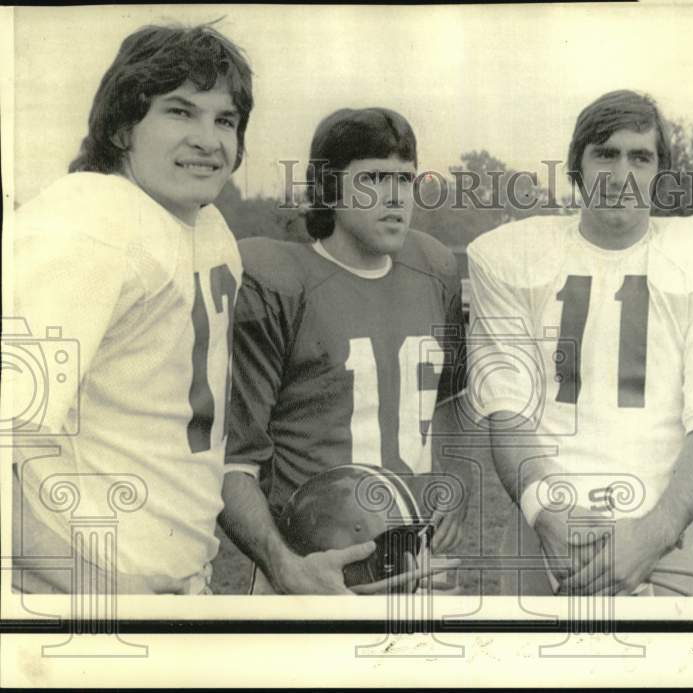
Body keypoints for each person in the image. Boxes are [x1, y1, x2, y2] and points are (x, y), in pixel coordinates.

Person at [465, 90, 693, 596]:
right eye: (606, 153)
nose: (622, 174)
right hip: (542, 529)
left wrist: (655, 533)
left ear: (659, 172)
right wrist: (546, 513)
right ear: (577, 166)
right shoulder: (511, 257)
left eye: (640, 157)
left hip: (661, 532)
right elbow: (507, 409)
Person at [10, 23, 256, 594]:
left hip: (173, 583)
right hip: (81, 592)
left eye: (225, 120)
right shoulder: (84, 226)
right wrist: (109, 594)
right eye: (179, 112)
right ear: (121, 127)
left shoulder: (206, 222)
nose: (208, 139)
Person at [220, 107, 468, 595]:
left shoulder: (434, 267)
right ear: (328, 187)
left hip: (414, 557)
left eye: (406, 179)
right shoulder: (278, 281)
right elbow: (233, 463)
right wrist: (285, 567)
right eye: (374, 178)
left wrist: (455, 485)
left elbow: (451, 399)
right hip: (311, 559)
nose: (396, 196)